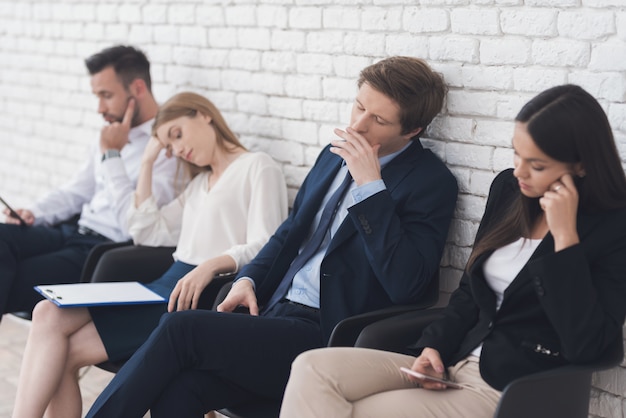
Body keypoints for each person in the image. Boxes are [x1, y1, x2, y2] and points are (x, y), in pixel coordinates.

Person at [84, 56, 458, 418]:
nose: (358, 126)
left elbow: (408, 285)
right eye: (358, 107)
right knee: (182, 386)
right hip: (276, 311)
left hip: (329, 331)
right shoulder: (331, 156)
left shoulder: (430, 184)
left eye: (377, 119)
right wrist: (248, 278)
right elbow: (288, 234)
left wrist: (371, 189)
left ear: (412, 131)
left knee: (181, 327)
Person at [278, 84, 626, 418]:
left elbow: (589, 343)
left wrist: (565, 240)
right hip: (452, 363)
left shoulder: (613, 226)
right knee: (311, 368)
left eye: (537, 165)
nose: (519, 172)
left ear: (580, 165)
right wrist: (436, 347)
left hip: (506, 386)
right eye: (517, 154)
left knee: (349, 413)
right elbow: (469, 293)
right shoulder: (510, 190)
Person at [11, 91, 289, 418]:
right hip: (164, 284)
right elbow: (145, 231)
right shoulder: (199, 185)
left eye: (177, 134)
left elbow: (269, 244)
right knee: (47, 312)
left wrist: (211, 265)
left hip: (198, 294)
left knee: (63, 352)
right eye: (169, 146)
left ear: (204, 115)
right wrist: (147, 162)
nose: (177, 149)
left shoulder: (258, 166)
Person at [0, 45, 178, 317]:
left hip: (101, 252)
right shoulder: (111, 134)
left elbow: (133, 225)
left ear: (138, 89)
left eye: (106, 96)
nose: (99, 108)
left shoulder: (167, 148)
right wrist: (35, 213)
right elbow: (77, 190)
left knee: (14, 281)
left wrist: (111, 155)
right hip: (72, 231)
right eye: (97, 96)